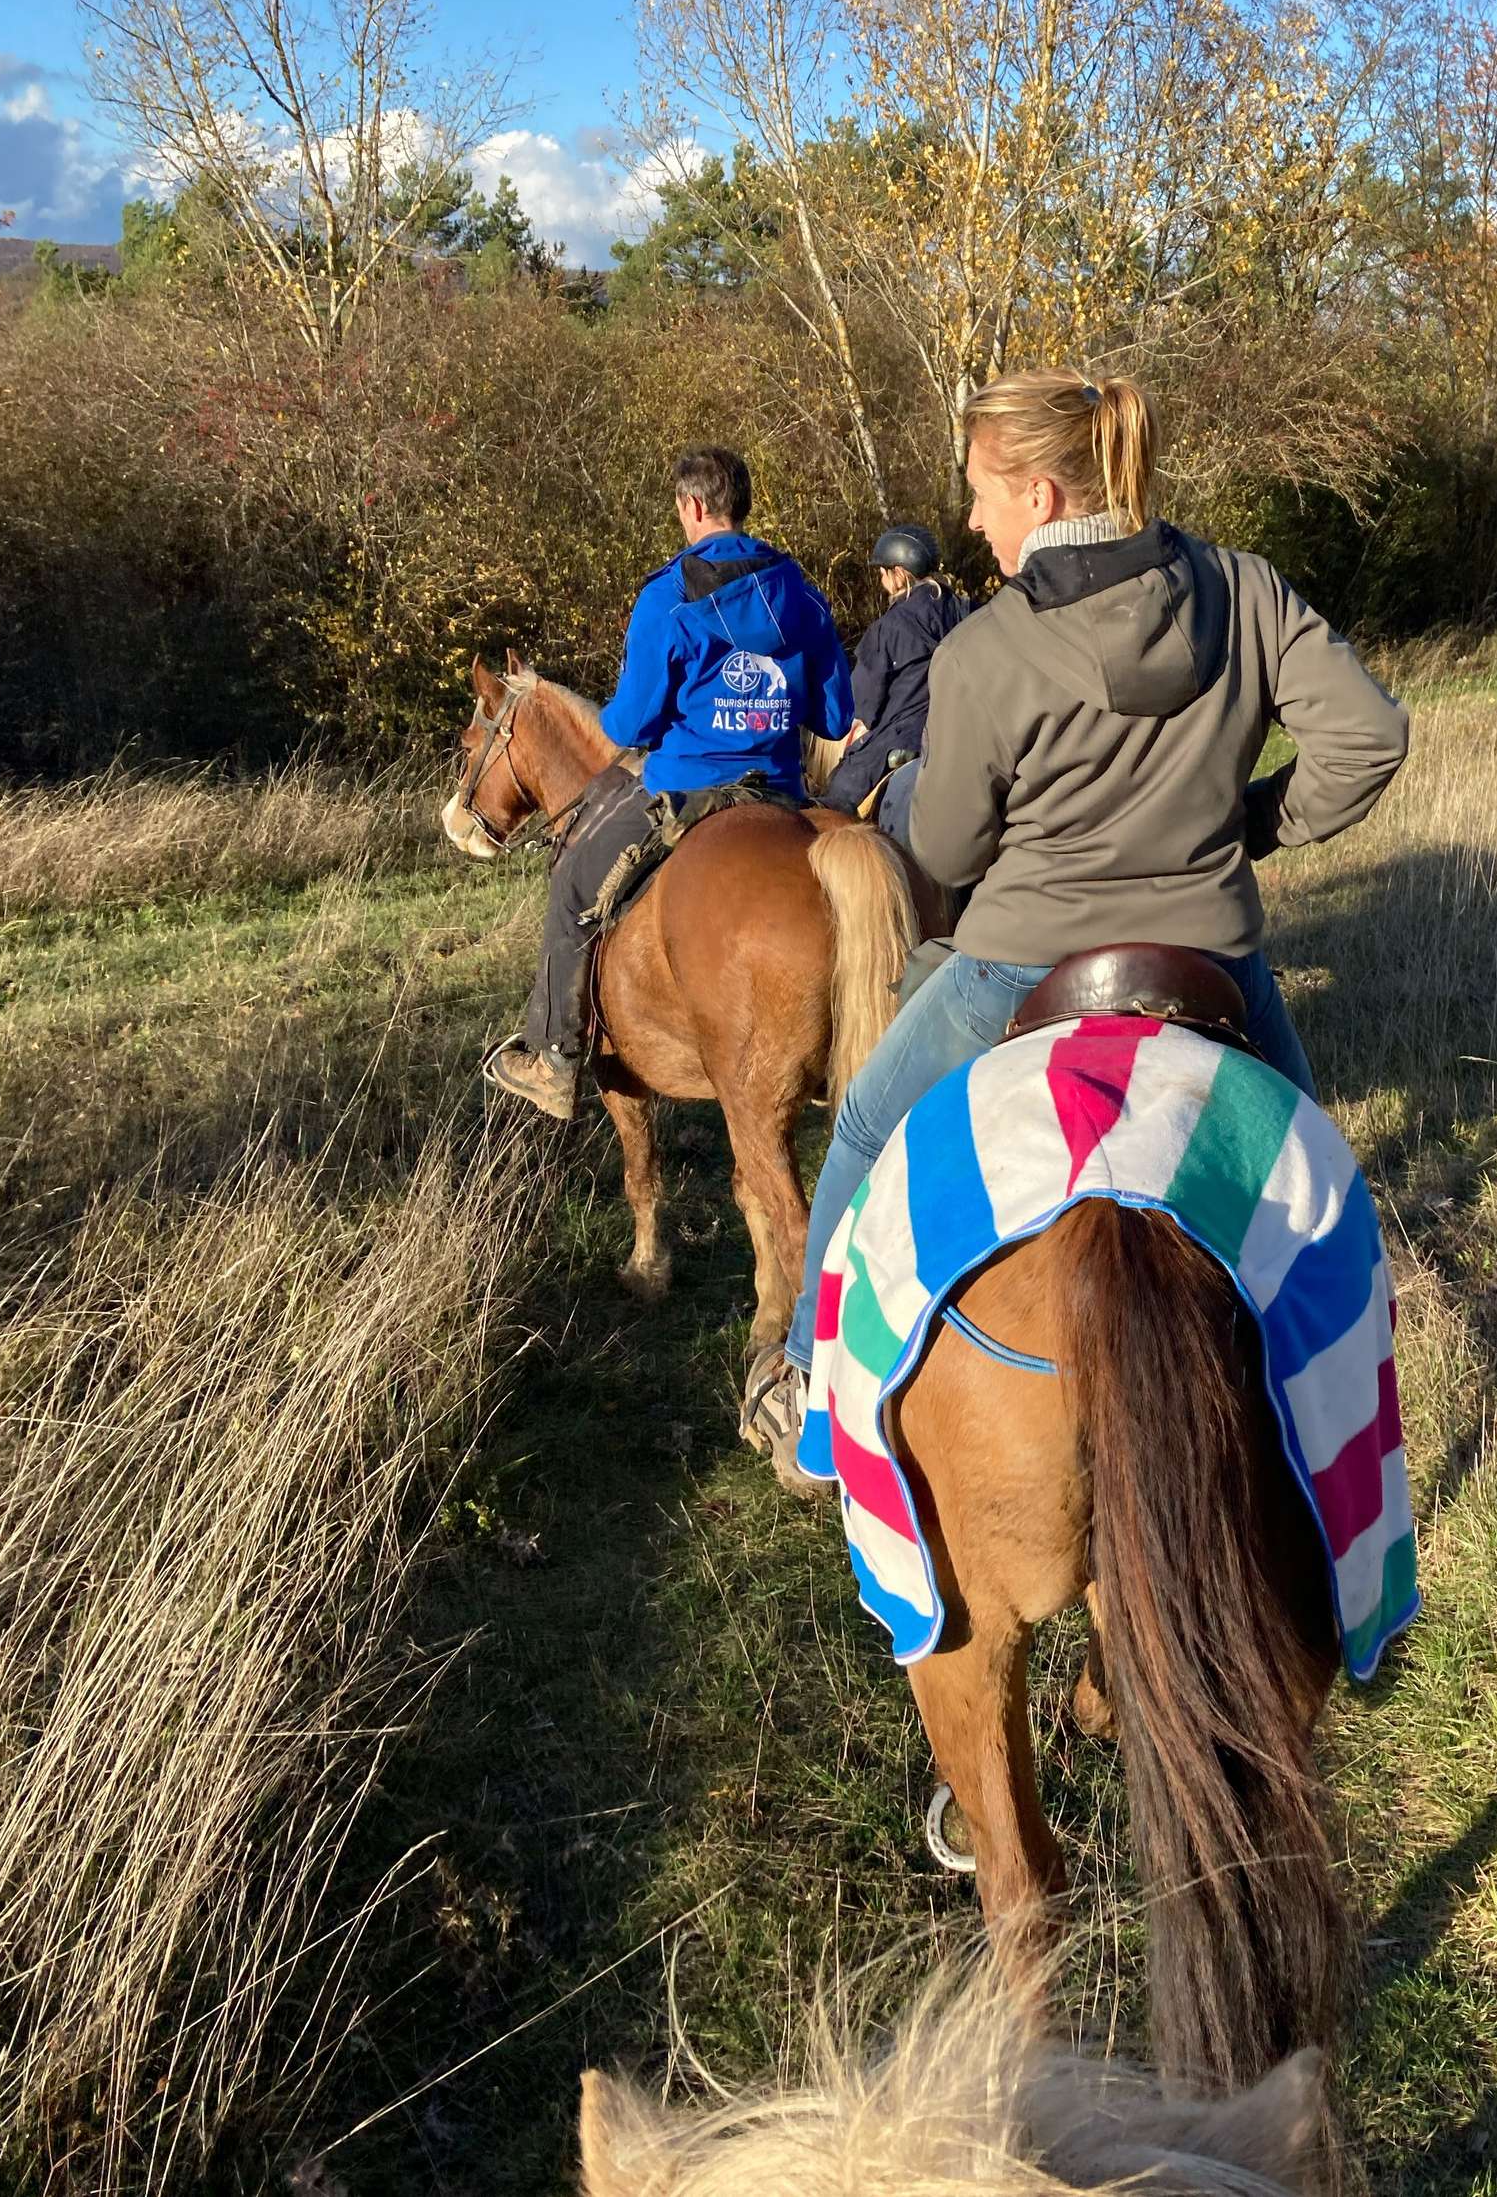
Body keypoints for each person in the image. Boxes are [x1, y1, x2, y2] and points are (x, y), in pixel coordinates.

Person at [742, 366, 1410, 1483]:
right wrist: (1247, 824)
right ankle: (1345, 1418)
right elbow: (1369, 740)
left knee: (859, 1125)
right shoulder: (1246, 590)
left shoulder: (984, 650)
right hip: (1212, 961)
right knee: (1319, 1192)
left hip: (1019, 966)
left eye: (979, 493)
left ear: (1039, 496)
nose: (971, 519)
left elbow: (947, 854)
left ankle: (813, 1388)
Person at [485, 444, 855, 1121]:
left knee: (573, 886)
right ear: (741, 504)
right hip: (781, 791)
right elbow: (834, 716)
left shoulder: (668, 594)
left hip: (687, 791)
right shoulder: (799, 592)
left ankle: (554, 1058)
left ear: (691, 506)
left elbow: (629, 724)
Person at [819, 524, 970, 818]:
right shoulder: (966, 611)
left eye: (882, 572)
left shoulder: (888, 627)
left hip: (905, 738)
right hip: (960, 731)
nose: (881, 580)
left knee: (835, 803)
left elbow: (864, 706)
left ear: (898, 573)